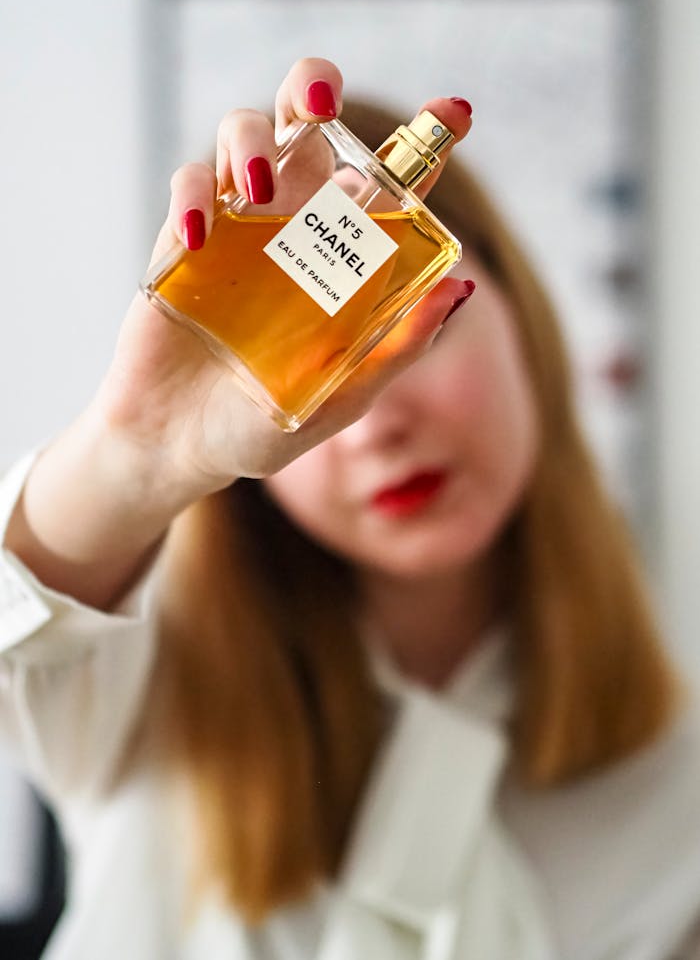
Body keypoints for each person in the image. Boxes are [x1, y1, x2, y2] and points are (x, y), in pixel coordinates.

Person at [1, 57, 699, 960]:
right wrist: (140, 452)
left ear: (525, 319)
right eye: (324, 374)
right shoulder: (145, 671)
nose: (376, 427)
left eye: (422, 334)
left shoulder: (676, 787)